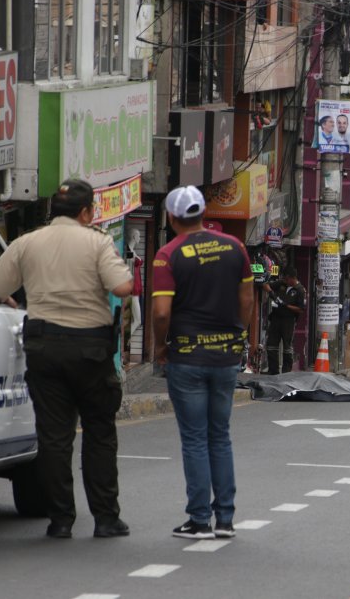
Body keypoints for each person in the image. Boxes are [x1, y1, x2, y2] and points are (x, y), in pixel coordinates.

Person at [0, 179, 133, 540]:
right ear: (86, 213)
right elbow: (122, 286)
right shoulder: (98, 242)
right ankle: (105, 519)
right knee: (99, 433)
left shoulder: (28, 242)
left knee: (53, 437)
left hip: (44, 348)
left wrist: (15, 301)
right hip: (90, 350)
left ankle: (60, 520)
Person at [150, 185, 255, 541]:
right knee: (219, 436)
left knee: (195, 438)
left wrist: (160, 347)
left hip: (187, 356)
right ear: (203, 212)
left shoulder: (167, 255)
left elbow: (161, 312)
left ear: (171, 217)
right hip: (225, 356)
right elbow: (247, 300)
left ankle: (199, 520)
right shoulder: (235, 248)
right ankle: (225, 519)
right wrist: (239, 337)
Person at [264, 268, 305, 375]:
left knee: (287, 346)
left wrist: (286, 306)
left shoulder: (300, 290)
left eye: (287, 279)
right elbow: (266, 285)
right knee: (271, 344)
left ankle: (286, 371)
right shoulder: (281, 283)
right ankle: (273, 370)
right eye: (284, 279)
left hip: (288, 320)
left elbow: (300, 309)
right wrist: (272, 293)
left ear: (293, 278)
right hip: (276, 318)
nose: (285, 281)